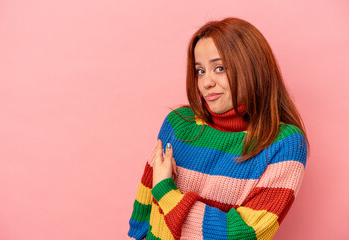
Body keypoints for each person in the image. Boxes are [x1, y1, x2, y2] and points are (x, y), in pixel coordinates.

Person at [127, 17, 310, 240]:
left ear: (253, 69)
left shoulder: (283, 144)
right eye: (200, 71)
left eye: (220, 68)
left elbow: (240, 234)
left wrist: (166, 192)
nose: (206, 83)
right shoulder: (178, 124)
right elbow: (142, 217)